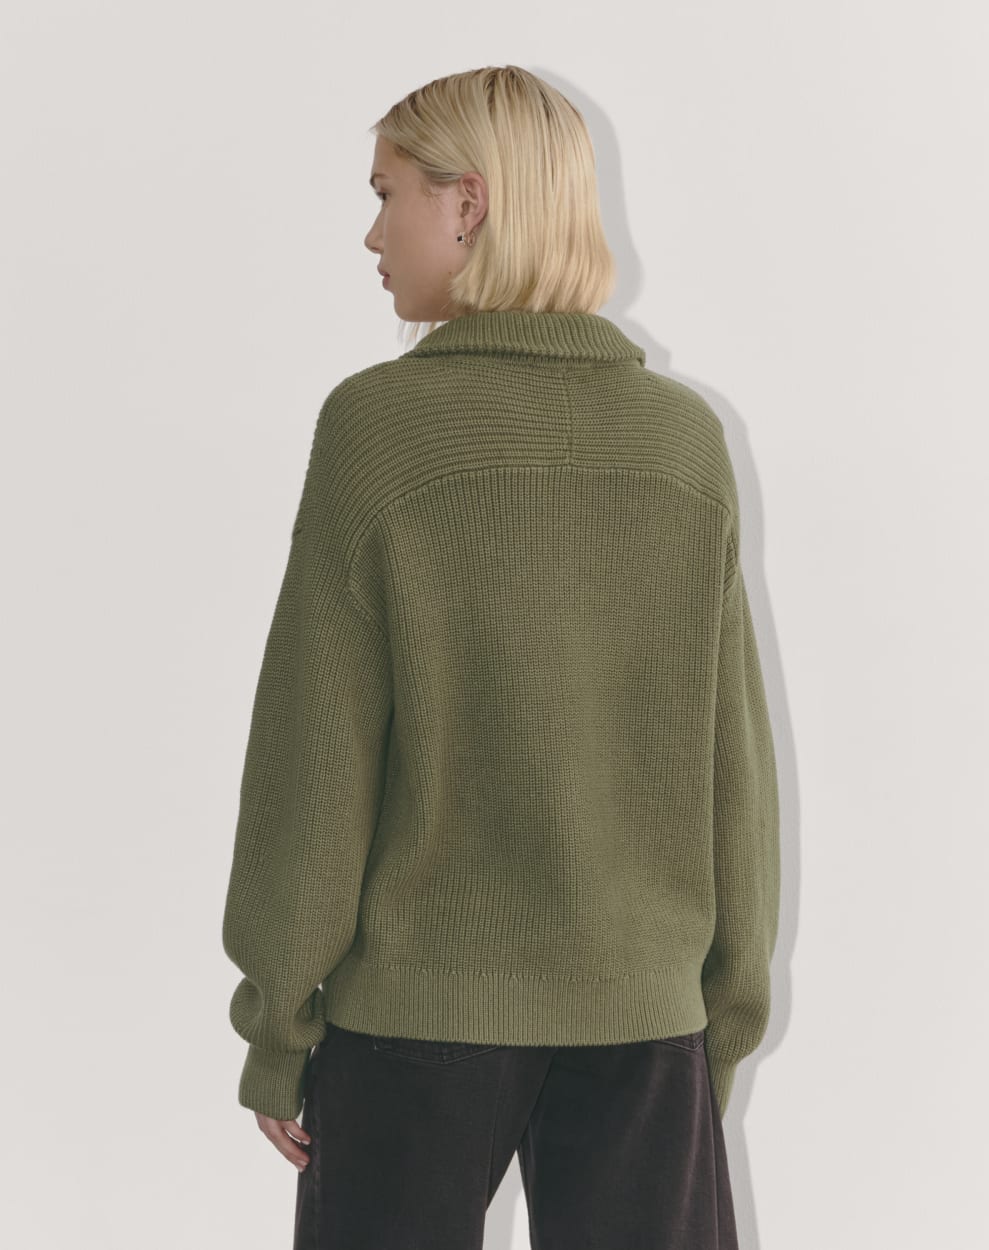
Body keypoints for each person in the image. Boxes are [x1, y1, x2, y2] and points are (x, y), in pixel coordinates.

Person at [221, 64, 780, 1250]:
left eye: (387, 194)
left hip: (412, 1020)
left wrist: (278, 1020)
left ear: (466, 204)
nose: (372, 233)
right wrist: (718, 1017)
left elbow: (313, 752)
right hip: (645, 1020)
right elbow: (732, 763)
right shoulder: (684, 445)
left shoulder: (377, 430)